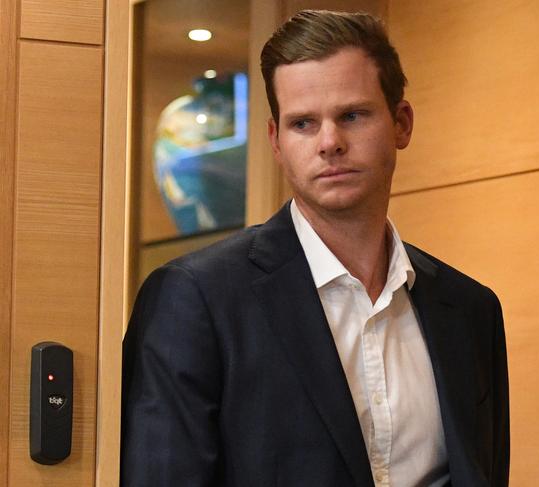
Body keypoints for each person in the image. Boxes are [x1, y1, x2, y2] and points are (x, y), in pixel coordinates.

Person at [121, 10, 509, 487]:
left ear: (401, 123)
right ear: (276, 141)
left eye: (352, 115)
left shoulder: (472, 311)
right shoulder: (195, 299)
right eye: (303, 123)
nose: (330, 143)